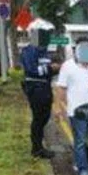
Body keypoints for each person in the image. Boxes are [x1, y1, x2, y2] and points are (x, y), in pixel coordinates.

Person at [54, 37, 88, 175]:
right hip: (76, 111)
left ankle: (85, 164)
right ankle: (83, 169)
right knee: (81, 141)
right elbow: (61, 88)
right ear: (76, 50)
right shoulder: (68, 66)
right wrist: (58, 108)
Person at [20, 27, 58, 159]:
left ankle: (39, 146)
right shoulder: (29, 51)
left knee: (45, 117)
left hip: (45, 87)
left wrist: (56, 69)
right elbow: (31, 70)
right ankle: (36, 148)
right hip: (35, 88)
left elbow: (47, 70)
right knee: (38, 118)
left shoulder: (44, 52)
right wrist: (49, 68)